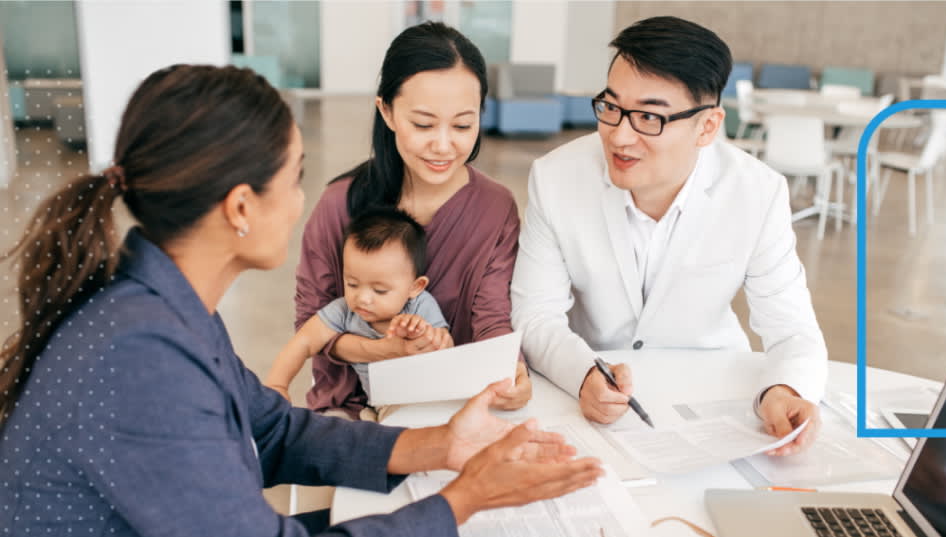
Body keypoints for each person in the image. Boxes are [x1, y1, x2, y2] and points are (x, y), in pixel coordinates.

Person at [0, 64, 602, 537]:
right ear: (240, 207)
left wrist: (441, 444)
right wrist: (465, 498)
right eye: (294, 178)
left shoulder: (162, 309)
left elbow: (274, 431)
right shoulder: (140, 358)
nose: (301, 202)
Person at [511, 16, 827, 455]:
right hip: (600, 392)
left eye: (648, 117)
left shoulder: (757, 192)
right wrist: (583, 373)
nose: (619, 136)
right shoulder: (555, 177)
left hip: (714, 390)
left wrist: (785, 389)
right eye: (611, 107)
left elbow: (792, 329)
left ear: (708, 127)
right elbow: (535, 314)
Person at [297, 22, 531, 419]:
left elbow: (491, 317)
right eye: (423, 124)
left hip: (451, 399)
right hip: (352, 403)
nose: (443, 145)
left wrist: (512, 367)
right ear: (386, 112)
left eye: (462, 125)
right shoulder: (340, 204)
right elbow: (312, 325)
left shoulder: (496, 207)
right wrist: (387, 351)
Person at [266, 208, 451, 404]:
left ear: (415, 287)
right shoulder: (343, 311)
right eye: (352, 284)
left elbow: (448, 350)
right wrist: (277, 384)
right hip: (385, 407)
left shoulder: (419, 306)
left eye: (379, 290)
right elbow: (303, 342)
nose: (362, 298)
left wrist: (423, 334)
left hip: (433, 398)